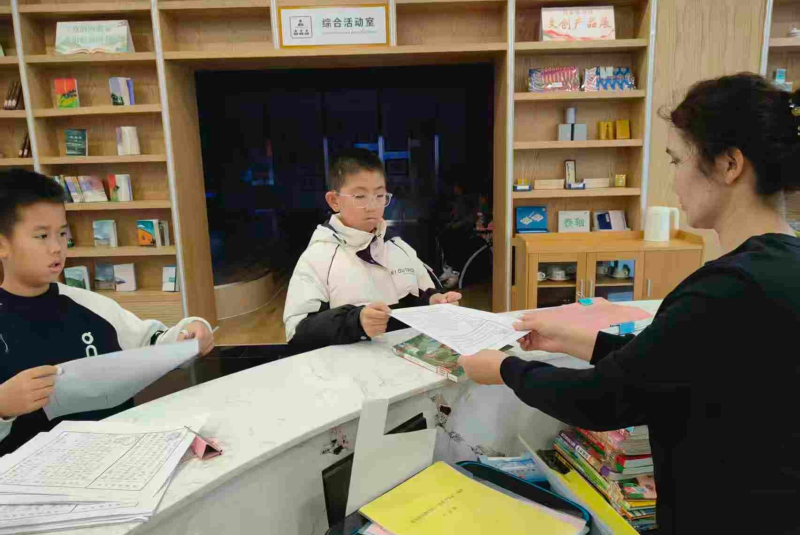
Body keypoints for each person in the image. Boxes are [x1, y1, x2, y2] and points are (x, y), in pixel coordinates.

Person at [457, 73, 800, 535]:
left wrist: (505, 369)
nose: (674, 181)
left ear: (729, 164)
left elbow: (603, 399)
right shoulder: (779, 269)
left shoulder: (729, 288)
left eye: (677, 160)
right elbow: (667, 368)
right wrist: (575, 340)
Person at [0, 169, 215, 455]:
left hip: (119, 457)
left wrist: (191, 331)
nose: (56, 247)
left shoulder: (89, 304)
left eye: (62, 233)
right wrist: (3, 406)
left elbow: (154, 343)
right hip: (31, 472)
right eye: (41, 236)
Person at [283, 149, 461, 351]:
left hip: (408, 360)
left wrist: (435, 302)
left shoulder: (398, 246)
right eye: (360, 196)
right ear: (334, 201)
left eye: (379, 195)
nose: (372, 206)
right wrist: (355, 322)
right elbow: (297, 332)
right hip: (348, 366)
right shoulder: (318, 257)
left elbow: (419, 297)